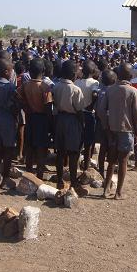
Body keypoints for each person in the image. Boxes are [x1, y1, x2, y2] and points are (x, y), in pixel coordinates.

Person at [100, 63, 137, 200]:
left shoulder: (110, 90)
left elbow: (101, 110)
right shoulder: (133, 92)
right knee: (123, 161)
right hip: (126, 131)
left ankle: (106, 190)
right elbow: (136, 115)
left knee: (111, 161)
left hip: (111, 130)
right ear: (130, 76)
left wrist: (106, 127)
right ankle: (118, 193)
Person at [52, 60, 85, 193]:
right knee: (73, 152)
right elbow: (79, 109)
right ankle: (73, 180)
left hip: (59, 118)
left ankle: (59, 179)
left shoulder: (56, 86)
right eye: (77, 71)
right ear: (73, 74)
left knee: (60, 152)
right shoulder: (76, 89)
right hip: (72, 120)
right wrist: (82, 124)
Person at [17, 58, 53, 179]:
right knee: (41, 147)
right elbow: (48, 106)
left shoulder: (25, 85)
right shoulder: (45, 87)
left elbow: (15, 95)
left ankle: (28, 171)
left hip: (30, 117)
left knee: (30, 145)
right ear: (43, 70)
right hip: (42, 119)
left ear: (29, 71)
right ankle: (40, 173)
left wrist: (25, 106)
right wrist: (50, 122)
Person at [0, 59, 18, 189]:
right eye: (11, 71)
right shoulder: (10, 87)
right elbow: (14, 105)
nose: (12, 73)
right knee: (8, 150)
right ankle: (5, 177)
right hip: (7, 118)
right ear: (6, 72)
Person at [74, 60, 99, 171]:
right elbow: (94, 94)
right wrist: (91, 105)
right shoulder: (95, 83)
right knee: (88, 143)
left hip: (78, 113)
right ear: (93, 71)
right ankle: (86, 166)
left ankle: (76, 165)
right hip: (89, 115)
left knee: (78, 141)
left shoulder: (77, 82)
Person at [95, 69, 117, 177]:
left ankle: (101, 169)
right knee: (112, 146)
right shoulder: (114, 92)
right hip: (112, 123)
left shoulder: (99, 91)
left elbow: (98, 109)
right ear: (114, 80)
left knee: (103, 147)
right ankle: (110, 170)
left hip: (101, 122)